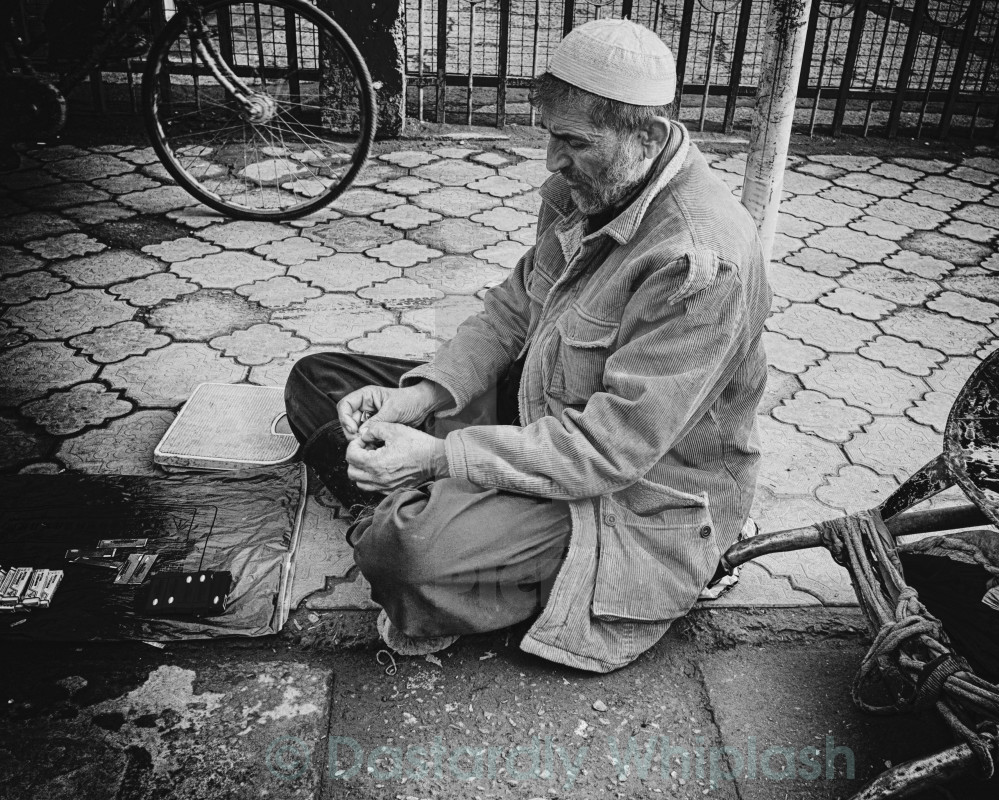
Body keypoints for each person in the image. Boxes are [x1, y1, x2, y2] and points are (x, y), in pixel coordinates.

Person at [284, 18, 772, 673]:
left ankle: (413, 506)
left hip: (619, 490)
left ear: (647, 135)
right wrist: (421, 397)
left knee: (402, 552)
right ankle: (413, 493)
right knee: (318, 381)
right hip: (540, 405)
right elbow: (514, 306)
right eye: (550, 135)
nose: (552, 160)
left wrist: (437, 458)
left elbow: (606, 452)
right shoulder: (599, 181)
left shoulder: (699, 262)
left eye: (573, 141)